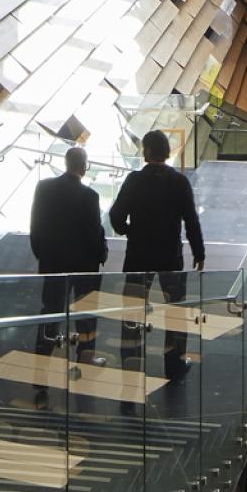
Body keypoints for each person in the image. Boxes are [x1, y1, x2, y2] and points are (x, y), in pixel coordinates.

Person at [108, 128, 206, 381]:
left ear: (147, 152)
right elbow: (191, 220)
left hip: (138, 255)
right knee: (175, 310)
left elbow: (116, 215)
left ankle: (131, 367)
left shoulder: (133, 180)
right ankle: (174, 366)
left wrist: (129, 231)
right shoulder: (179, 181)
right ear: (166, 152)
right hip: (170, 255)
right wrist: (199, 251)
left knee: (132, 311)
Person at [28, 146, 107, 404]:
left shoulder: (44, 188)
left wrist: (41, 253)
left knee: (50, 312)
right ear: (83, 167)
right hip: (83, 266)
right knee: (85, 313)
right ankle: (84, 362)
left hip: (53, 263)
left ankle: (41, 368)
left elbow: (35, 225)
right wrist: (102, 255)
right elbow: (95, 233)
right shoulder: (89, 196)